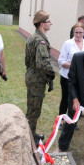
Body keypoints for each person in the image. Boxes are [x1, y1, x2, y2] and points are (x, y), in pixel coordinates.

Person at [25, 10, 55, 145]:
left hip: (32, 76)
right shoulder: (40, 40)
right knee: (34, 112)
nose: (51, 23)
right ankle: (30, 140)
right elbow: (42, 63)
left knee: (31, 109)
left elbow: (27, 60)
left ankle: (31, 134)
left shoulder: (33, 37)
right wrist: (52, 73)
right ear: (42, 24)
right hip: (37, 80)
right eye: (49, 22)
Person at [58, 22, 84, 130]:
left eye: (80, 32)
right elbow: (61, 61)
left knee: (76, 100)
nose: (78, 35)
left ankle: (72, 121)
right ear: (73, 32)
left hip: (80, 79)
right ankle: (61, 120)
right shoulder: (67, 43)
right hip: (66, 77)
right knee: (65, 99)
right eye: (76, 32)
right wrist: (74, 65)